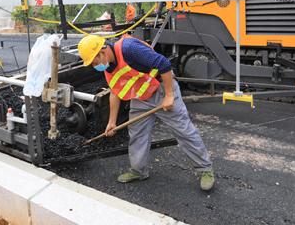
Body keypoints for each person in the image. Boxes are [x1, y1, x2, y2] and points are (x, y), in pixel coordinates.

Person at [77, 34, 215, 191]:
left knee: (183, 130)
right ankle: (138, 171)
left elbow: (164, 64)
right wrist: (112, 122)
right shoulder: (108, 66)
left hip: (162, 89)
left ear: (102, 50)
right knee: (137, 134)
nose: (95, 65)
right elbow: (115, 92)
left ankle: (205, 170)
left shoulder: (129, 49)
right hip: (141, 96)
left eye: (94, 61)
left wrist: (169, 96)